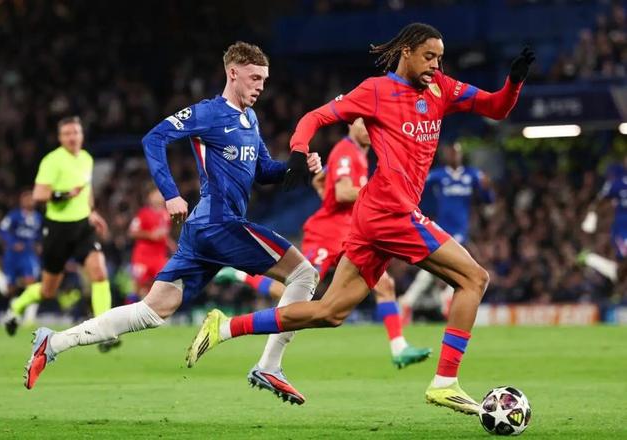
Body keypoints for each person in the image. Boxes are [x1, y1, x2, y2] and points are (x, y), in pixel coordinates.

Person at [187, 23, 533, 415]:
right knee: (474, 278)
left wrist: (514, 82)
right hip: (391, 212)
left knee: (330, 312)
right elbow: (315, 117)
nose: (436, 66)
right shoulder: (376, 91)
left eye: (440, 58)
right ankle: (445, 382)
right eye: (429, 57)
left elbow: (496, 108)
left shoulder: (442, 88)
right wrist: (299, 150)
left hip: (374, 215)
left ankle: (225, 327)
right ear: (406, 52)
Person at [21, 42, 322, 394]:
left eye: (264, 80)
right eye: (254, 77)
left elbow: (263, 171)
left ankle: (53, 342)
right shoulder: (208, 113)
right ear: (233, 73)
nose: (260, 86)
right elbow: (154, 139)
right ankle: (269, 365)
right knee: (304, 274)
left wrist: (297, 168)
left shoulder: (250, 119)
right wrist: (170, 193)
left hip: (204, 230)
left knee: (152, 310)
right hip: (219, 222)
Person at [216, 119, 431, 403]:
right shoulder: (346, 151)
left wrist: (325, 186)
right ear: (350, 124)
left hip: (353, 232)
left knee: (384, 284)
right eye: (363, 122)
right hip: (327, 233)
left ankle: (398, 347)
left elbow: (324, 180)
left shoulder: (359, 155)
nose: (369, 128)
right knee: (299, 290)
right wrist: (379, 193)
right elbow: (342, 192)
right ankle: (241, 277)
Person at [3, 117, 116, 354]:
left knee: (99, 272)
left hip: (82, 227)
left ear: (81, 135)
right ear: (60, 138)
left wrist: (92, 212)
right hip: (58, 230)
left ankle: (104, 331)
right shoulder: (52, 161)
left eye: (75, 132)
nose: (72, 137)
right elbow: (38, 195)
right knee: (48, 290)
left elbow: (86, 191)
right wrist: (64, 194)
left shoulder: (86, 158)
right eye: (67, 133)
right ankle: (16, 307)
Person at [401, 142, 494, 319]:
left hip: (461, 230)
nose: (454, 156)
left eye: (456, 152)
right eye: (451, 153)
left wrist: (487, 189)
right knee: (445, 268)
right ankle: (436, 299)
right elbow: (419, 187)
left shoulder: (472, 175)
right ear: (445, 156)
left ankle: (413, 300)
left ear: (461, 154)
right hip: (442, 228)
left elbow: (488, 200)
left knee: (457, 267)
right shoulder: (438, 175)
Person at [580, 158, 627, 291]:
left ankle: (598, 263)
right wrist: (591, 217)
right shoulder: (617, 183)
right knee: (623, 260)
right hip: (623, 227)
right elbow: (599, 201)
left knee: (621, 267)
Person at [127, 187, 175, 303]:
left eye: (160, 194)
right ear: (150, 197)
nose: (158, 197)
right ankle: (129, 309)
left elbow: (164, 234)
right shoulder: (143, 213)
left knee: (162, 284)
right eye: (155, 195)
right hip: (142, 256)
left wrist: (172, 245)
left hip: (159, 257)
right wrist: (150, 235)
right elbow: (132, 232)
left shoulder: (166, 215)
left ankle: (156, 310)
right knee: (137, 286)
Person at [0, 190, 43, 300]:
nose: (29, 201)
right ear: (21, 201)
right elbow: (2, 230)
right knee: (10, 287)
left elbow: (41, 234)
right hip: (12, 253)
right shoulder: (14, 215)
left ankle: (30, 309)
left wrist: (39, 245)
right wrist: (12, 243)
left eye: (31, 199)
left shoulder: (38, 218)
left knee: (31, 282)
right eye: (26, 199)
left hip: (28, 253)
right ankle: (13, 305)